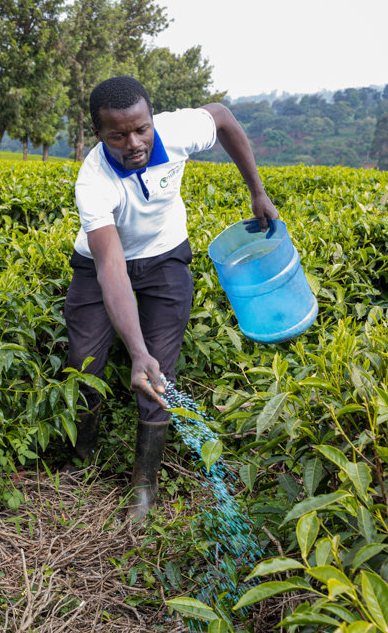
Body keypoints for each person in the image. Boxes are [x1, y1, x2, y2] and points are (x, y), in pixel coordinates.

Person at [65, 75, 278, 521]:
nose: (134, 142)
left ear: (151, 117)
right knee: (85, 362)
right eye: (117, 135)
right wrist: (133, 350)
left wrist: (256, 190)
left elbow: (221, 116)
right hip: (100, 265)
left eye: (141, 129)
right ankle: (81, 458)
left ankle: (145, 484)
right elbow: (110, 267)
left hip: (164, 258)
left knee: (159, 367)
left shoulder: (176, 131)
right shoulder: (93, 180)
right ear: (99, 135)